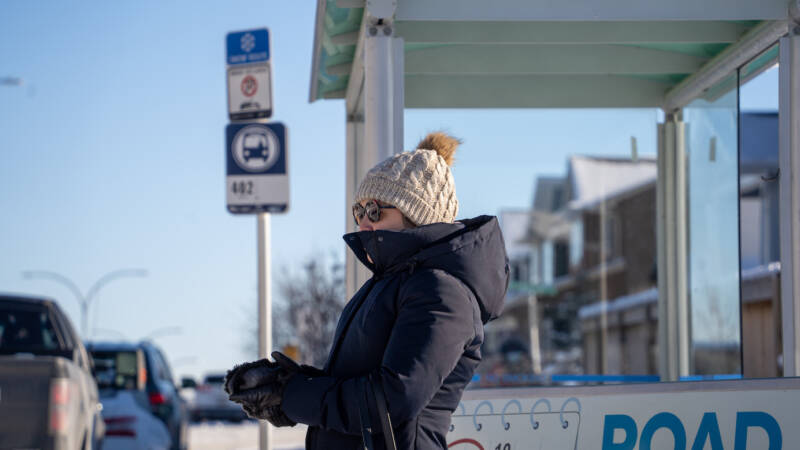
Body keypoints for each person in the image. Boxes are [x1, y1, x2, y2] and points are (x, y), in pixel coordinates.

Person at [225, 132, 509, 450]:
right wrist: (288, 383)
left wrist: (293, 397)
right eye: (358, 212)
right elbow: (359, 381)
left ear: (417, 215)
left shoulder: (442, 292)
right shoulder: (394, 283)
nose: (363, 224)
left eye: (374, 211)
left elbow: (392, 399)